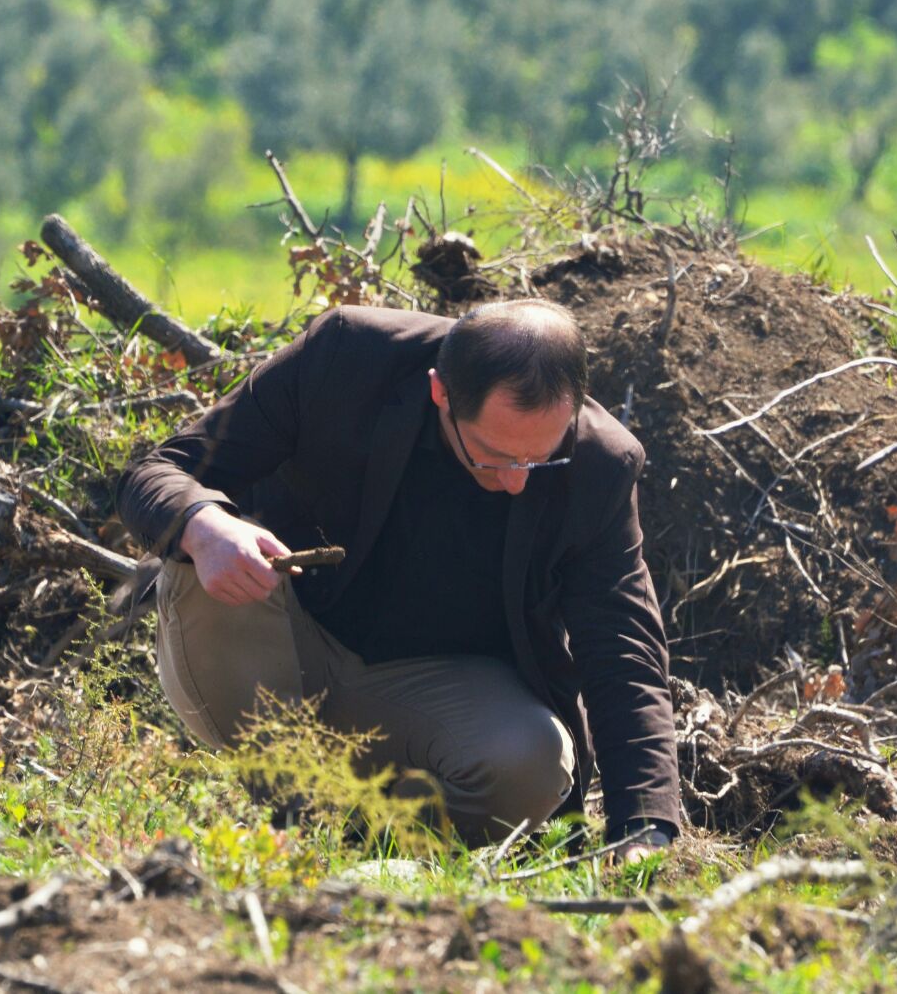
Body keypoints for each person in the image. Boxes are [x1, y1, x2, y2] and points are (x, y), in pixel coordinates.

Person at [117, 299, 678, 859]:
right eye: (493, 456)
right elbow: (158, 472)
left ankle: (372, 841)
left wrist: (644, 825)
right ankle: (285, 817)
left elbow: (622, 644)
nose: (516, 482)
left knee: (533, 757)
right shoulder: (348, 358)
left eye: (540, 459)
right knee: (207, 555)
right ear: (441, 393)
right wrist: (203, 524)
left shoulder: (600, 466)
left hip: (428, 700)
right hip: (277, 652)